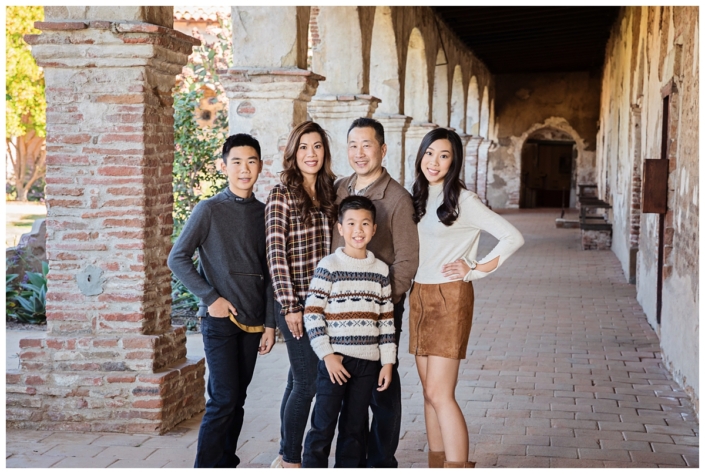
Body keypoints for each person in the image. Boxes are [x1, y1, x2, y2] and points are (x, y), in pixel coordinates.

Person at [409, 128, 524, 468]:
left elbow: (512, 237)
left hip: (450, 298)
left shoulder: (464, 200)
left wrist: (473, 268)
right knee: (429, 394)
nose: (435, 161)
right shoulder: (415, 195)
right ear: (421, 155)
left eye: (444, 156)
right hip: (419, 296)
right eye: (430, 153)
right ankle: (436, 462)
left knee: (441, 394)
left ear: (454, 162)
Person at [168, 133, 276, 468]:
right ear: (224, 166)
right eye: (237, 162)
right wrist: (210, 297)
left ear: (260, 165)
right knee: (223, 398)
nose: (245, 169)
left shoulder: (266, 213)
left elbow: (272, 273)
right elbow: (177, 258)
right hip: (218, 320)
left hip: (254, 320)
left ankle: (226, 461)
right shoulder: (209, 210)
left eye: (251, 161)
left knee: (237, 399)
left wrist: (271, 323)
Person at [331, 117, 419, 468]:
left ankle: (382, 459)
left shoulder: (397, 198)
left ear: (383, 149)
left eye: (367, 145)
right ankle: (351, 457)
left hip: (379, 310)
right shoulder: (340, 188)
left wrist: (382, 304)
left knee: (383, 384)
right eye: (353, 145)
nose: (359, 152)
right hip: (339, 309)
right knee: (349, 386)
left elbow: (407, 261)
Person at [302, 195, 396, 468]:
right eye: (351, 223)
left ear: (374, 229)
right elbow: (312, 313)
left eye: (365, 223)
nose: (358, 230)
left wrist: (387, 362)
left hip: (368, 364)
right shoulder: (329, 266)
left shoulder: (380, 271)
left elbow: (386, 320)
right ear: (340, 228)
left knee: (355, 430)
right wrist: (327, 355)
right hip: (336, 362)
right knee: (322, 427)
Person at [265, 121, 337, 468]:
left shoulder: (329, 193)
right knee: (308, 382)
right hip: (295, 305)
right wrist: (290, 306)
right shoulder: (282, 193)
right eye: (304, 147)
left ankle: (284, 452)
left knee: (298, 378)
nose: (312, 154)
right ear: (293, 152)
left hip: (325, 304)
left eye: (318, 146)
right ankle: (292, 459)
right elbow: (275, 254)